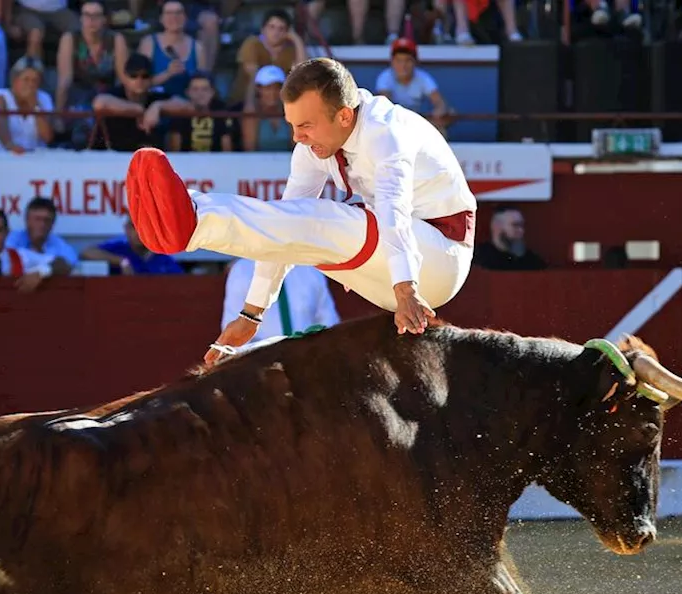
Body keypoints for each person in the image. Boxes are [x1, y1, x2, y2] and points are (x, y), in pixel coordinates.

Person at [125, 57, 476, 366]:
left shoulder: (387, 132)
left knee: (326, 219)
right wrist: (252, 313)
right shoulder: (314, 145)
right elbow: (287, 225)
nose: (297, 137)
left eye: (305, 126)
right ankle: (193, 218)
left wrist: (406, 289)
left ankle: (193, 217)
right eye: (292, 125)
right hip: (389, 269)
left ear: (343, 115)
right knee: (302, 217)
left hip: (437, 262)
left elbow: (393, 209)